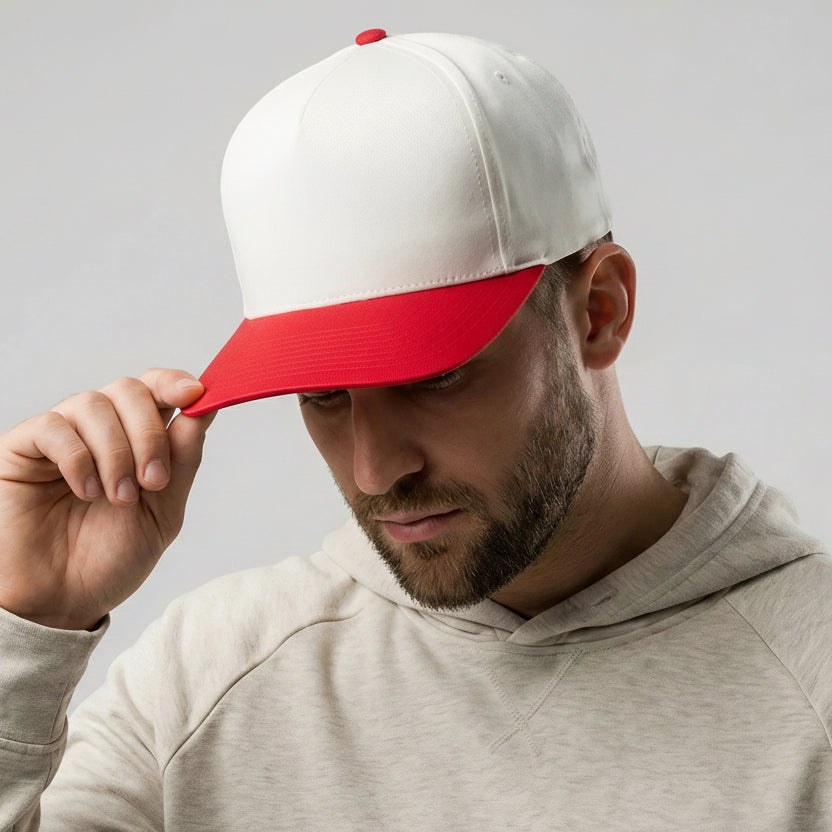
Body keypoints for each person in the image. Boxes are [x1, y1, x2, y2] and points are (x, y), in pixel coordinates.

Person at [1, 28, 830, 831]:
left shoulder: (813, 680)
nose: (372, 470)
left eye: (433, 377)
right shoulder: (206, 679)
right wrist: (23, 623)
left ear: (599, 312)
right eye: (322, 395)